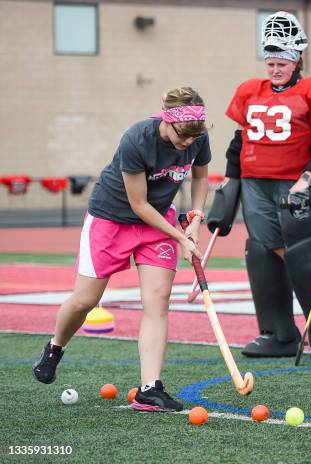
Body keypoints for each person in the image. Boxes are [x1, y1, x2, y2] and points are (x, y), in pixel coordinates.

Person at [32, 87, 211, 413]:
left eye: (193, 136)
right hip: (112, 217)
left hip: (157, 225)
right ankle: (55, 347)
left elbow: (200, 178)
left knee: (158, 300)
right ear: (166, 121)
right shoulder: (137, 140)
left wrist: (196, 219)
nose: (188, 143)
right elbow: (139, 204)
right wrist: (181, 238)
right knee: (85, 300)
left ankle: (149, 388)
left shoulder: (196, 136)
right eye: (182, 136)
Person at [223, 11, 311, 358]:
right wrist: (230, 185)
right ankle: (278, 332)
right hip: (255, 184)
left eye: (282, 62)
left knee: (306, 249)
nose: (276, 68)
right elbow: (240, 142)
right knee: (262, 251)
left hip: (294, 182)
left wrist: (308, 178)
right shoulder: (250, 91)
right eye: (271, 62)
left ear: (296, 60)